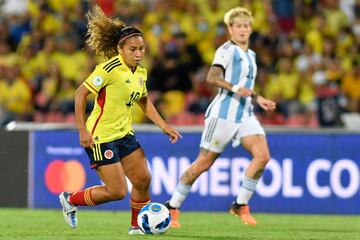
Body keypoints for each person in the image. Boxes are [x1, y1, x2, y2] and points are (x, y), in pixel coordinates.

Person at [58, 6, 182, 235]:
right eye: (133, 49)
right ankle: (70, 199)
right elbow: (79, 94)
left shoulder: (141, 72)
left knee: (143, 179)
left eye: (141, 49)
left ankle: (136, 226)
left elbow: (143, 100)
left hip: (124, 134)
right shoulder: (108, 69)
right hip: (101, 137)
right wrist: (81, 130)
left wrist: (164, 125)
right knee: (117, 191)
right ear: (120, 48)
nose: (138, 53)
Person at [165, 7, 276, 228]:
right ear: (230, 29)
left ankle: (239, 204)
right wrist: (235, 87)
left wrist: (258, 96)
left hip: (245, 114)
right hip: (223, 114)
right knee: (203, 163)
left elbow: (245, 86)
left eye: (246, 25)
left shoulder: (251, 55)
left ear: (251, 28)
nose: (243, 29)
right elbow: (212, 76)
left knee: (262, 156)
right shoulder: (227, 50)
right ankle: (172, 206)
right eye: (238, 26)